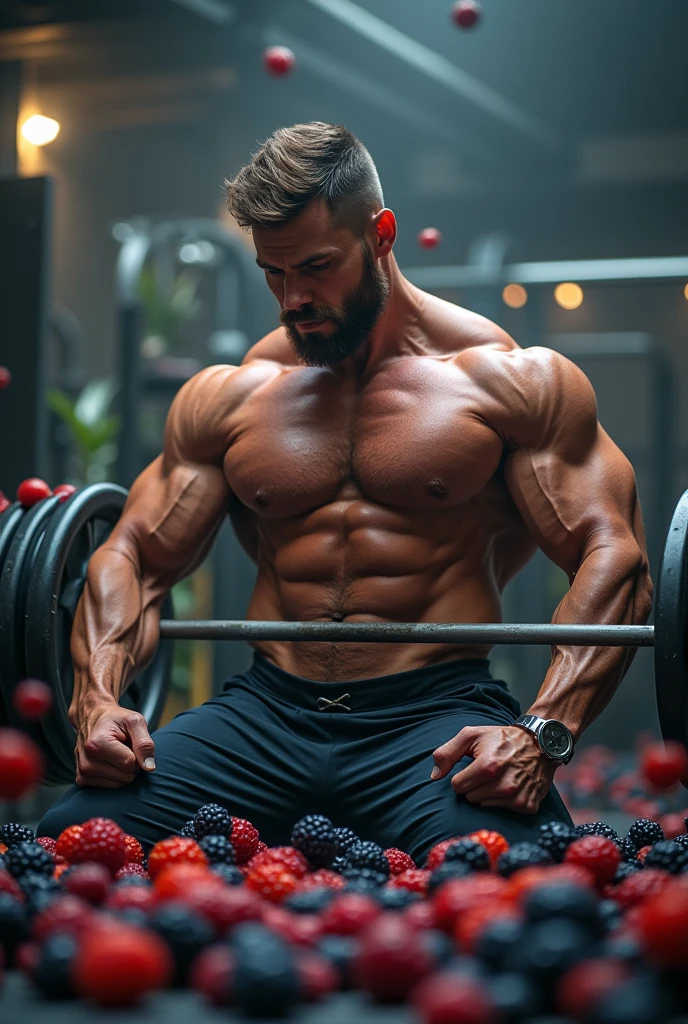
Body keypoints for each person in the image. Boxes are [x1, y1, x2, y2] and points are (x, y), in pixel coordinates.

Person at [37, 123, 652, 863]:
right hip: (262, 717)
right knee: (63, 850)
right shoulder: (236, 396)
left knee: (514, 881)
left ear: (382, 235)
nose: (294, 298)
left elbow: (614, 556)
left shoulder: (507, 382)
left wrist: (542, 731)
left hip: (430, 720)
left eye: (318, 266)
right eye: (273, 272)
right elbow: (131, 554)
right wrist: (99, 699)